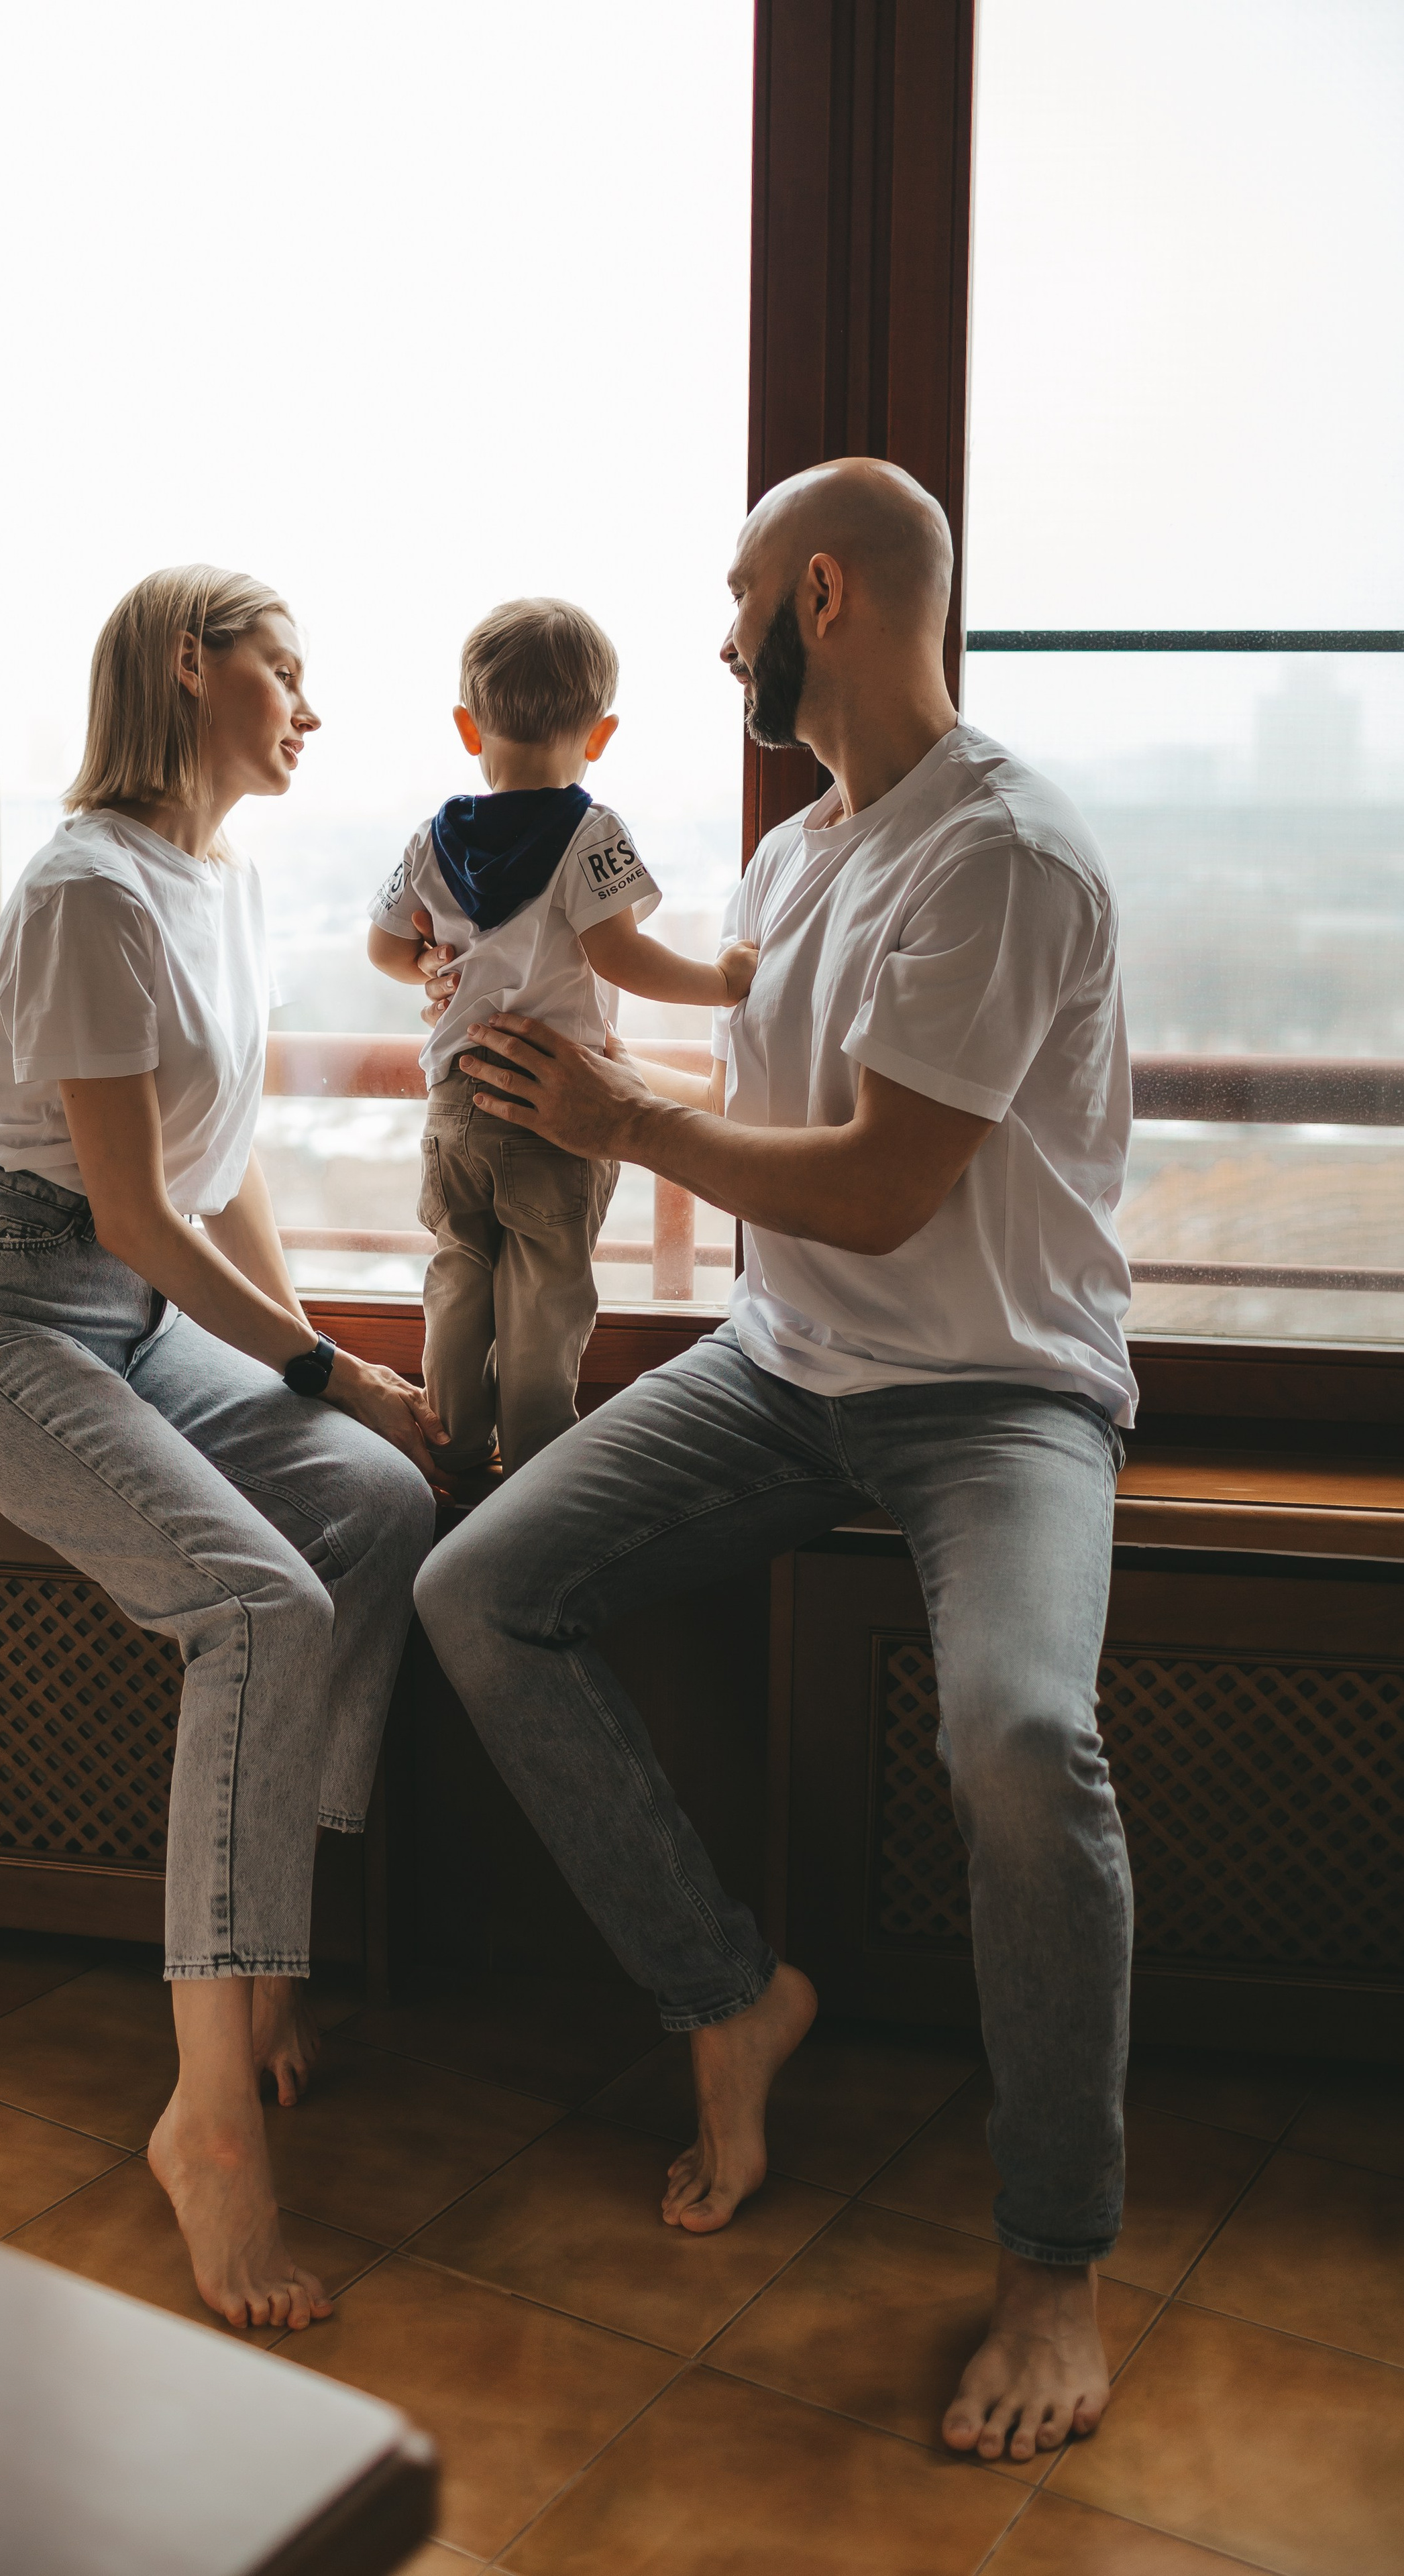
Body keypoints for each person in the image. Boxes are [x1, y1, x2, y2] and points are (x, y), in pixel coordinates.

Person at [414, 460, 1137, 2467]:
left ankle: (1055, 2257)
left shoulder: (1000, 854)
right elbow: (772, 1122)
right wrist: (540, 1065)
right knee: (477, 1590)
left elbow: (888, 1184)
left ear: (820, 595)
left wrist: (622, 1120)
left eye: (738, 596)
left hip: (994, 1392)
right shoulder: (797, 854)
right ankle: (726, 1996)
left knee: (1022, 1737)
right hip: (782, 1364)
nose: (722, 634)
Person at [0, 567, 444, 2333]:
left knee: (381, 1503)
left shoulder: (222, 878)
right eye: (285, 668)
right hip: (7, 1317)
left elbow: (227, 1165)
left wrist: (318, 1379)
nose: (309, 705)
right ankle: (207, 2119)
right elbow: (133, 1206)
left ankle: (262, 1952)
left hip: (142, 1316)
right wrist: (330, 1365)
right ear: (190, 666)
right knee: (260, 1606)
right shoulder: (85, 889)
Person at [368, 596, 756, 1479]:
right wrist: (722, 981)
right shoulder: (591, 832)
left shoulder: (432, 837)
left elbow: (384, 948)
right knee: (545, 1295)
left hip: (456, 1099)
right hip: (551, 1101)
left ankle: (455, 1451)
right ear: (601, 735)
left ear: (469, 727)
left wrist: (429, 963)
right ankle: (537, 1466)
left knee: (460, 1270)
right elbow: (621, 956)